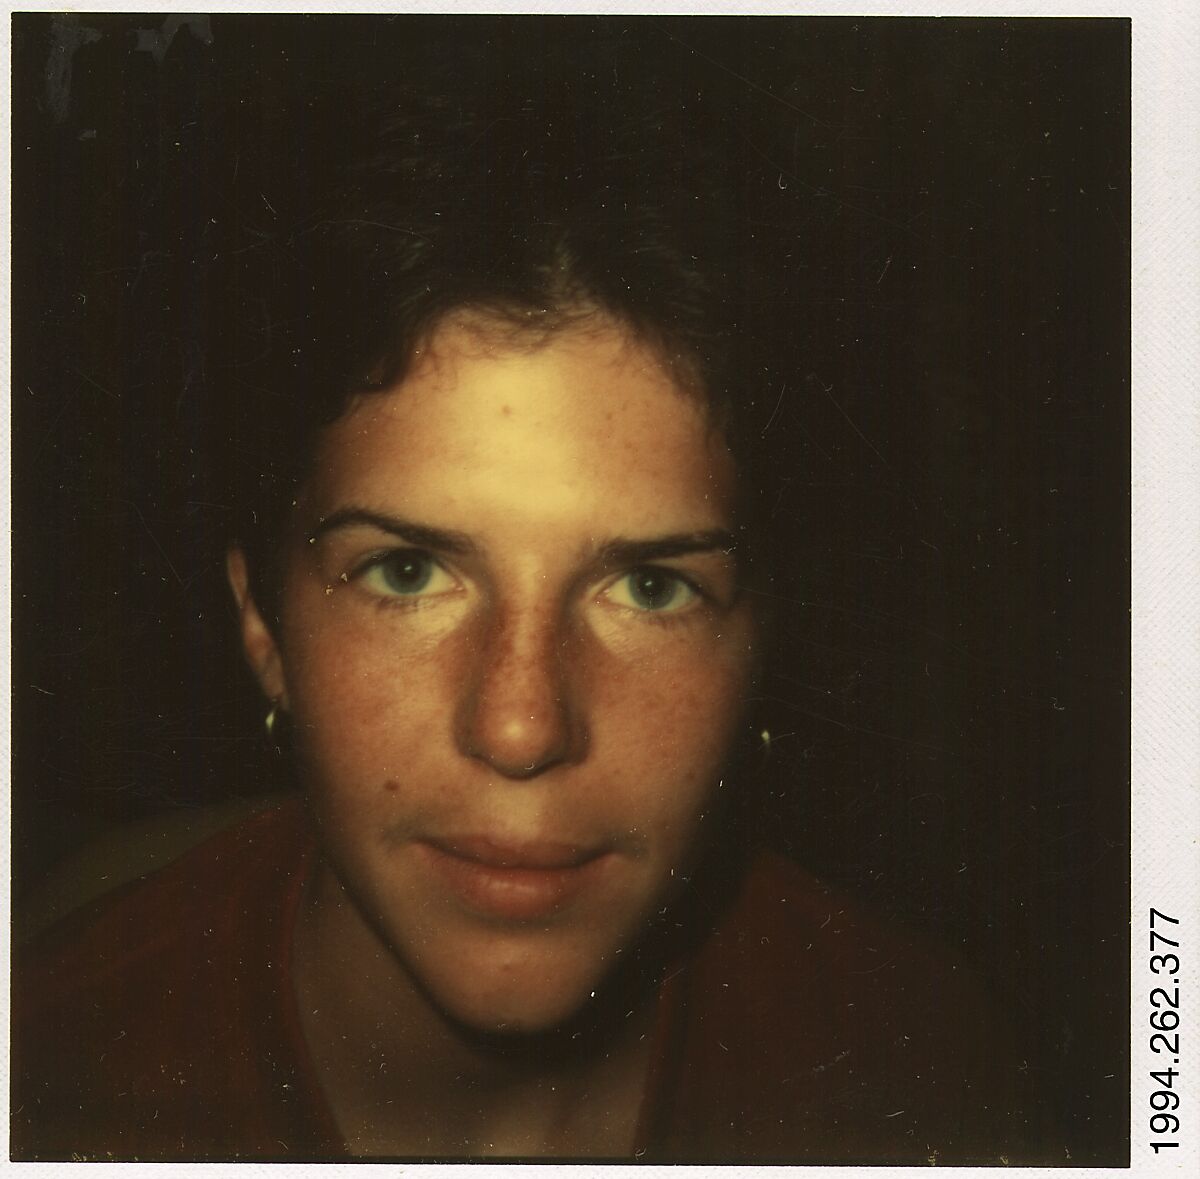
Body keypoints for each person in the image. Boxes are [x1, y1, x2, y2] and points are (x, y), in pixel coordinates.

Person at [11, 79, 1049, 1163]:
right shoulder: (48, 1079)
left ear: (763, 647)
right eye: (407, 572)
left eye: (651, 588)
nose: (520, 729)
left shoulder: (924, 1069)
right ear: (263, 626)